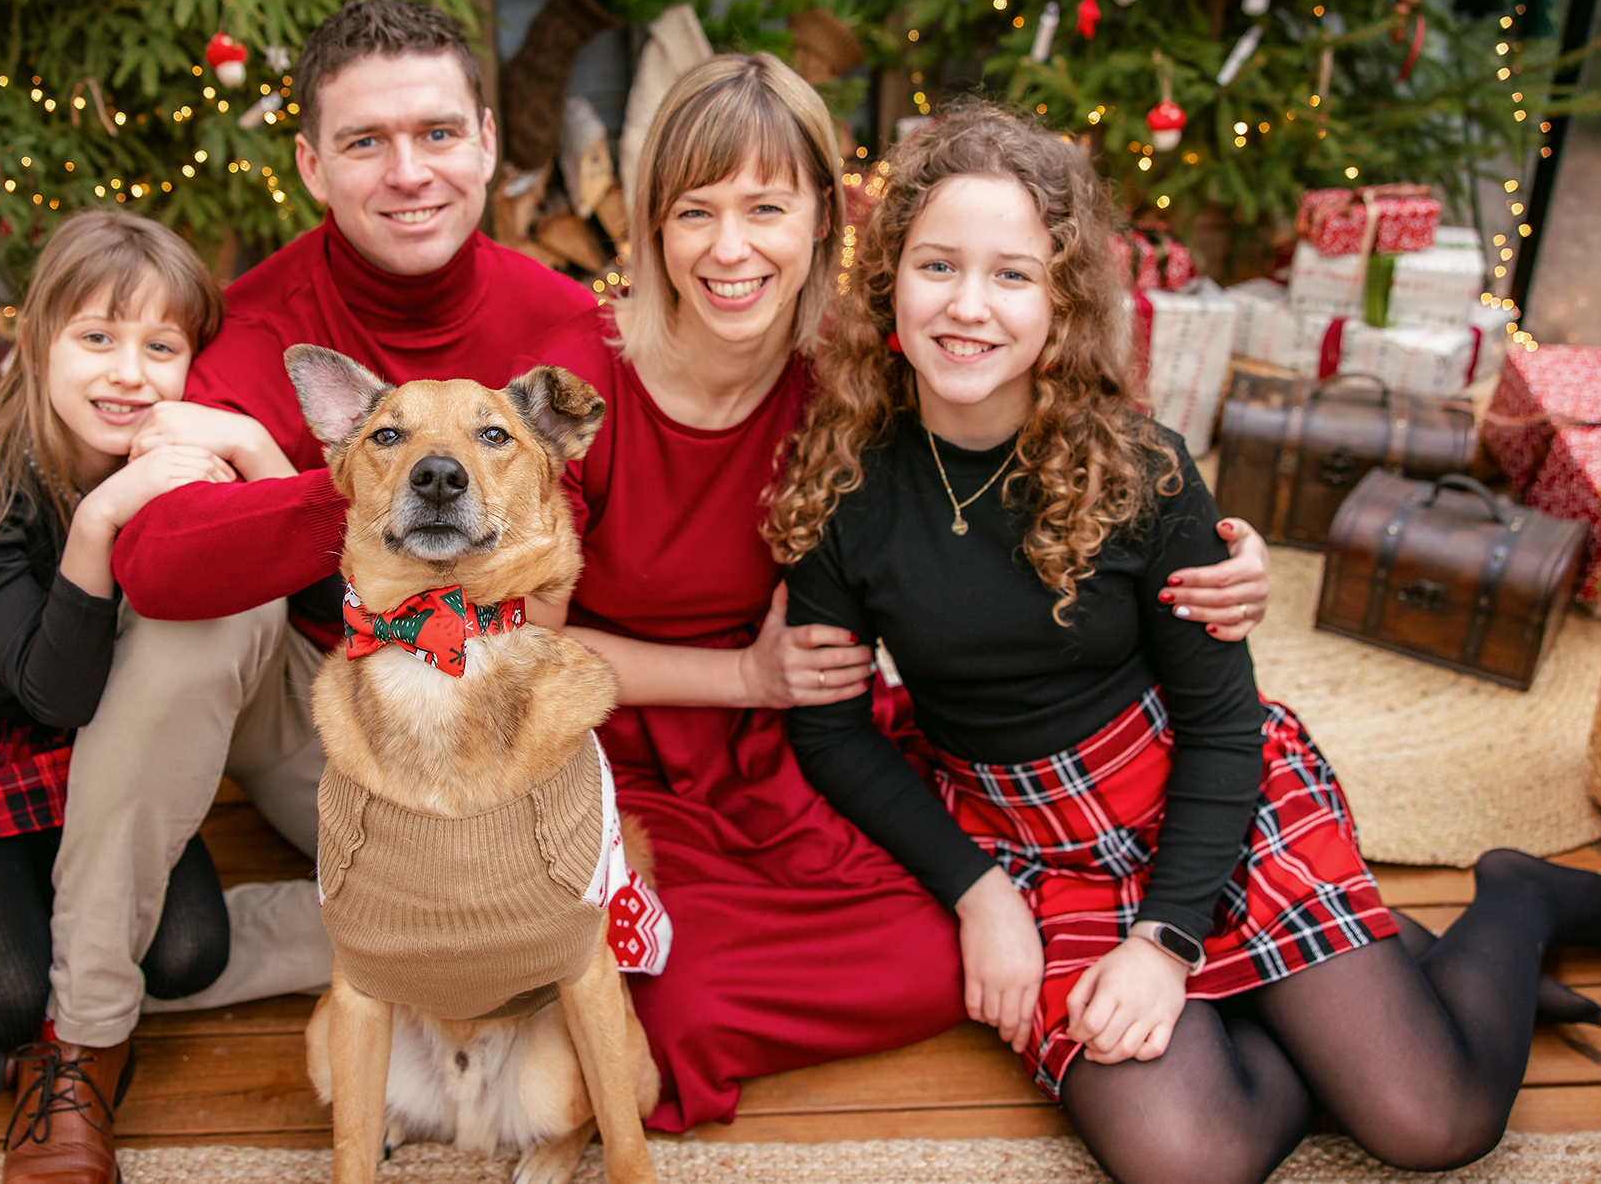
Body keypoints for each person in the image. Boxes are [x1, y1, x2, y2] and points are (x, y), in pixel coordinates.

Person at [767, 102, 1601, 1182]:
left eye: (1011, 275)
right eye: (937, 265)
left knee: (1428, 1119)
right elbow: (831, 731)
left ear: (1061, 302)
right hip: (1022, 842)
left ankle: (1516, 898)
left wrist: (1165, 942)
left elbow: (1221, 723)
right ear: (887, 278)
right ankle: (1345, 973)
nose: (967, 305)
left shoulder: (1141, 472)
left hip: (1199, 797)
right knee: (1186, 1159)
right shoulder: (843, 483)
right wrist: (979, 894)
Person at [516, 55, 1276, 1131]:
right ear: (649, 225)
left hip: (787, 738)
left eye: (766, 208)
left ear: (822, 223)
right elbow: (519, 649)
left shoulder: (847, 372)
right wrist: (742, 678)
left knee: (949, 946)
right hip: (616, 743)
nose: (730, 249)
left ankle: (1229, 990)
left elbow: (1035, 448)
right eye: (695, 211)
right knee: (676, 999)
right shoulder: (572, 387)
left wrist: (1221, 552)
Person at [26, 0, 601, 1181]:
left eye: (436, 133)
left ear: (487, 141)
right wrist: (362, 490)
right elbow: (159, 560)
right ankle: (81, 1035)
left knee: (516, 913)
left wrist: (302, 466)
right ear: (309, 163)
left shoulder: (555, 320)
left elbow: (548, 574)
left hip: (476, 713)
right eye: (363, 142)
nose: (408, 173)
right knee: (198, 624)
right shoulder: (261, 319)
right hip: (315, 702)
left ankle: (212, 934)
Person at [0, 211, 294, 1176]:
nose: (129, 374)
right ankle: (17, 923)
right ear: (39, 338)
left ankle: (83, 907)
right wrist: (102, 517)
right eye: (97, 337)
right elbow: (53, 692)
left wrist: (253, 447)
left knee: (189, 956)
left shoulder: (184, 463)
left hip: (91, 752)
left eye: (160, 347)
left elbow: (324, 589)